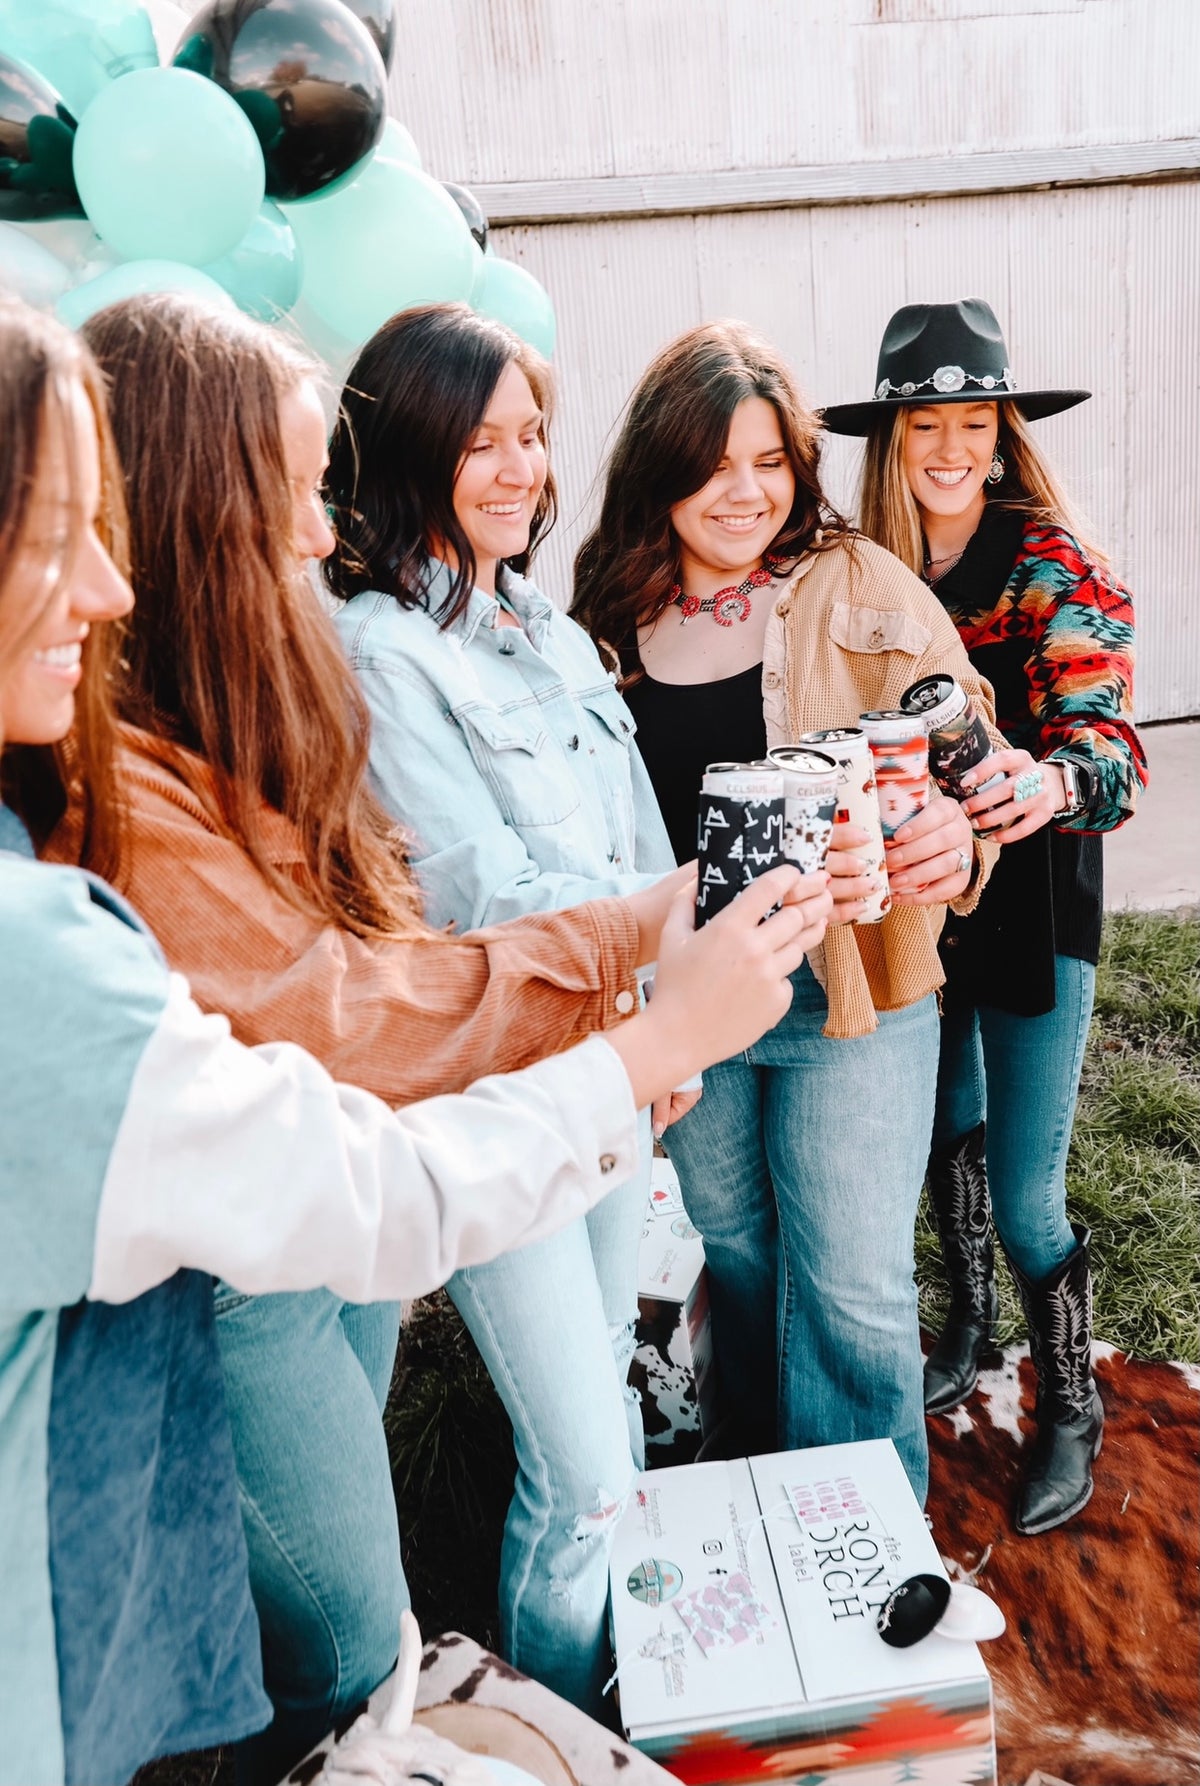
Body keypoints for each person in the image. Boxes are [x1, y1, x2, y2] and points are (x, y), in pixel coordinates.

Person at [0, 296, 818, 1786]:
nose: (320, 535)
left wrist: (651, 954)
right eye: (291, 496)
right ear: (203, 506)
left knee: (309, 1638)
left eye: (531, 437)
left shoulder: (262, 710)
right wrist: (640, 1017)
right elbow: (360, 1056)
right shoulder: (114, 829)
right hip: (271, 1261)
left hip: (363, 1206)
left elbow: (386, 968)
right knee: (365, 1644)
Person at [326, 304, 830, 1713]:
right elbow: (486, 893)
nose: (515, 467)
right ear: (408, 450)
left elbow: (626, 829)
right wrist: (664, 968)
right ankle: (556, 1716)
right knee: (591, 1467)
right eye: (477, 441)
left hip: (611, 1059)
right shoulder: (379, 650)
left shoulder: (538, 621)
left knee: (605, 1400)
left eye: (532, 435)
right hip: (498, 1089)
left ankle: (609, 1692)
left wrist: (657, 1036)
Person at [572, 320, 998, 1503]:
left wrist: (954, 836)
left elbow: (970, 753)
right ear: (662, 472)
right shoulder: (606, 614)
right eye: (714, 466)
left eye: (769, 463)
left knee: (853, 1280)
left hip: (849, 985)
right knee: (743, 1254)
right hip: (696, 998)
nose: (744, 492)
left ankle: (863, 1542)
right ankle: (760, 1495)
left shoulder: (860, 580)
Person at [825, 297, 1147, 1533]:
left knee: (1026, 1187)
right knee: (941, 1132)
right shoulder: (866, 567)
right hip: (915, 898)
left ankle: (1068, 1397)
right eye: (926, 425)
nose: (951, 447)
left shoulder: (1055, 565)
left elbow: (1110, 749)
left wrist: (1049, 776)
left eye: (976, 421)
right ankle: (964, 1321)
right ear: (892, 442)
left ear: (1007, 433)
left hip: (1036, 900)